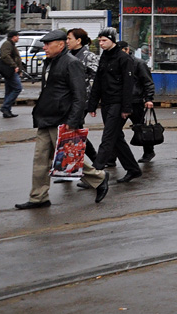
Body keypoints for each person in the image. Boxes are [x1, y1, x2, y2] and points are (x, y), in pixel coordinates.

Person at [14, 29, 109, 208]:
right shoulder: (49, 62)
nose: (44, 47)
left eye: (48, 44)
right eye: (44, 44)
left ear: (60, 44)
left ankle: (99, 177)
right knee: (40, 159)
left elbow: (79, 95)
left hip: (61, 118)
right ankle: (39, 197)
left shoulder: (71, 63)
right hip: (46, 117)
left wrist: (73, 121)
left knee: (67, 157)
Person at [89, 28, 143, 183]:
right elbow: (98, 82)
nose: (101, 43)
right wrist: (92, 105)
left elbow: (128, 85)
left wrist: (127, 108)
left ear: (112, 40)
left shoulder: (123, 58)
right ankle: (133, 169)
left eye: (104, 40)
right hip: (106, 102)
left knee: (108, 137)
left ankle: (94, 173)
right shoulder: (104, 57)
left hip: (118, 103)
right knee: (117, 138)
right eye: (99, 41)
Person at [65, 28, 102, 167]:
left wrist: (91, 100)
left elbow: (96, 79)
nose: (67, 41)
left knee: (75, 130)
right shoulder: (66, 55)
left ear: (78, 40)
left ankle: (95, 162)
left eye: (69, 38)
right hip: (68, 99)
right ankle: (92, 161)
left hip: (81, 100)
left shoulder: (89, 56)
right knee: (73, 132)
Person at [119, 41, 157, 163]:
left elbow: (147, 82)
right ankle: (111, 157)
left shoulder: (138, 63)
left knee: (141, 128)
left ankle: (149, 151)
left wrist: (149, 99)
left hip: (136, 101)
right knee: (114, 130)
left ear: (126, 50)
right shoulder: (118, 63)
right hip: (121, 101)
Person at [0, 30, 24, 118]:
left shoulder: (11, 44)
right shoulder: (7, 44)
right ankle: (5, 107)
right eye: (17, 36)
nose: (18, 38)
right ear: (13, 37)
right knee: (18, 88)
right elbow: (5, 56)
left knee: (9, 90)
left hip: (12, 71)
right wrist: (14, 66)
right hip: (10, 70)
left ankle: (7, 111)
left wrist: (20, 70)